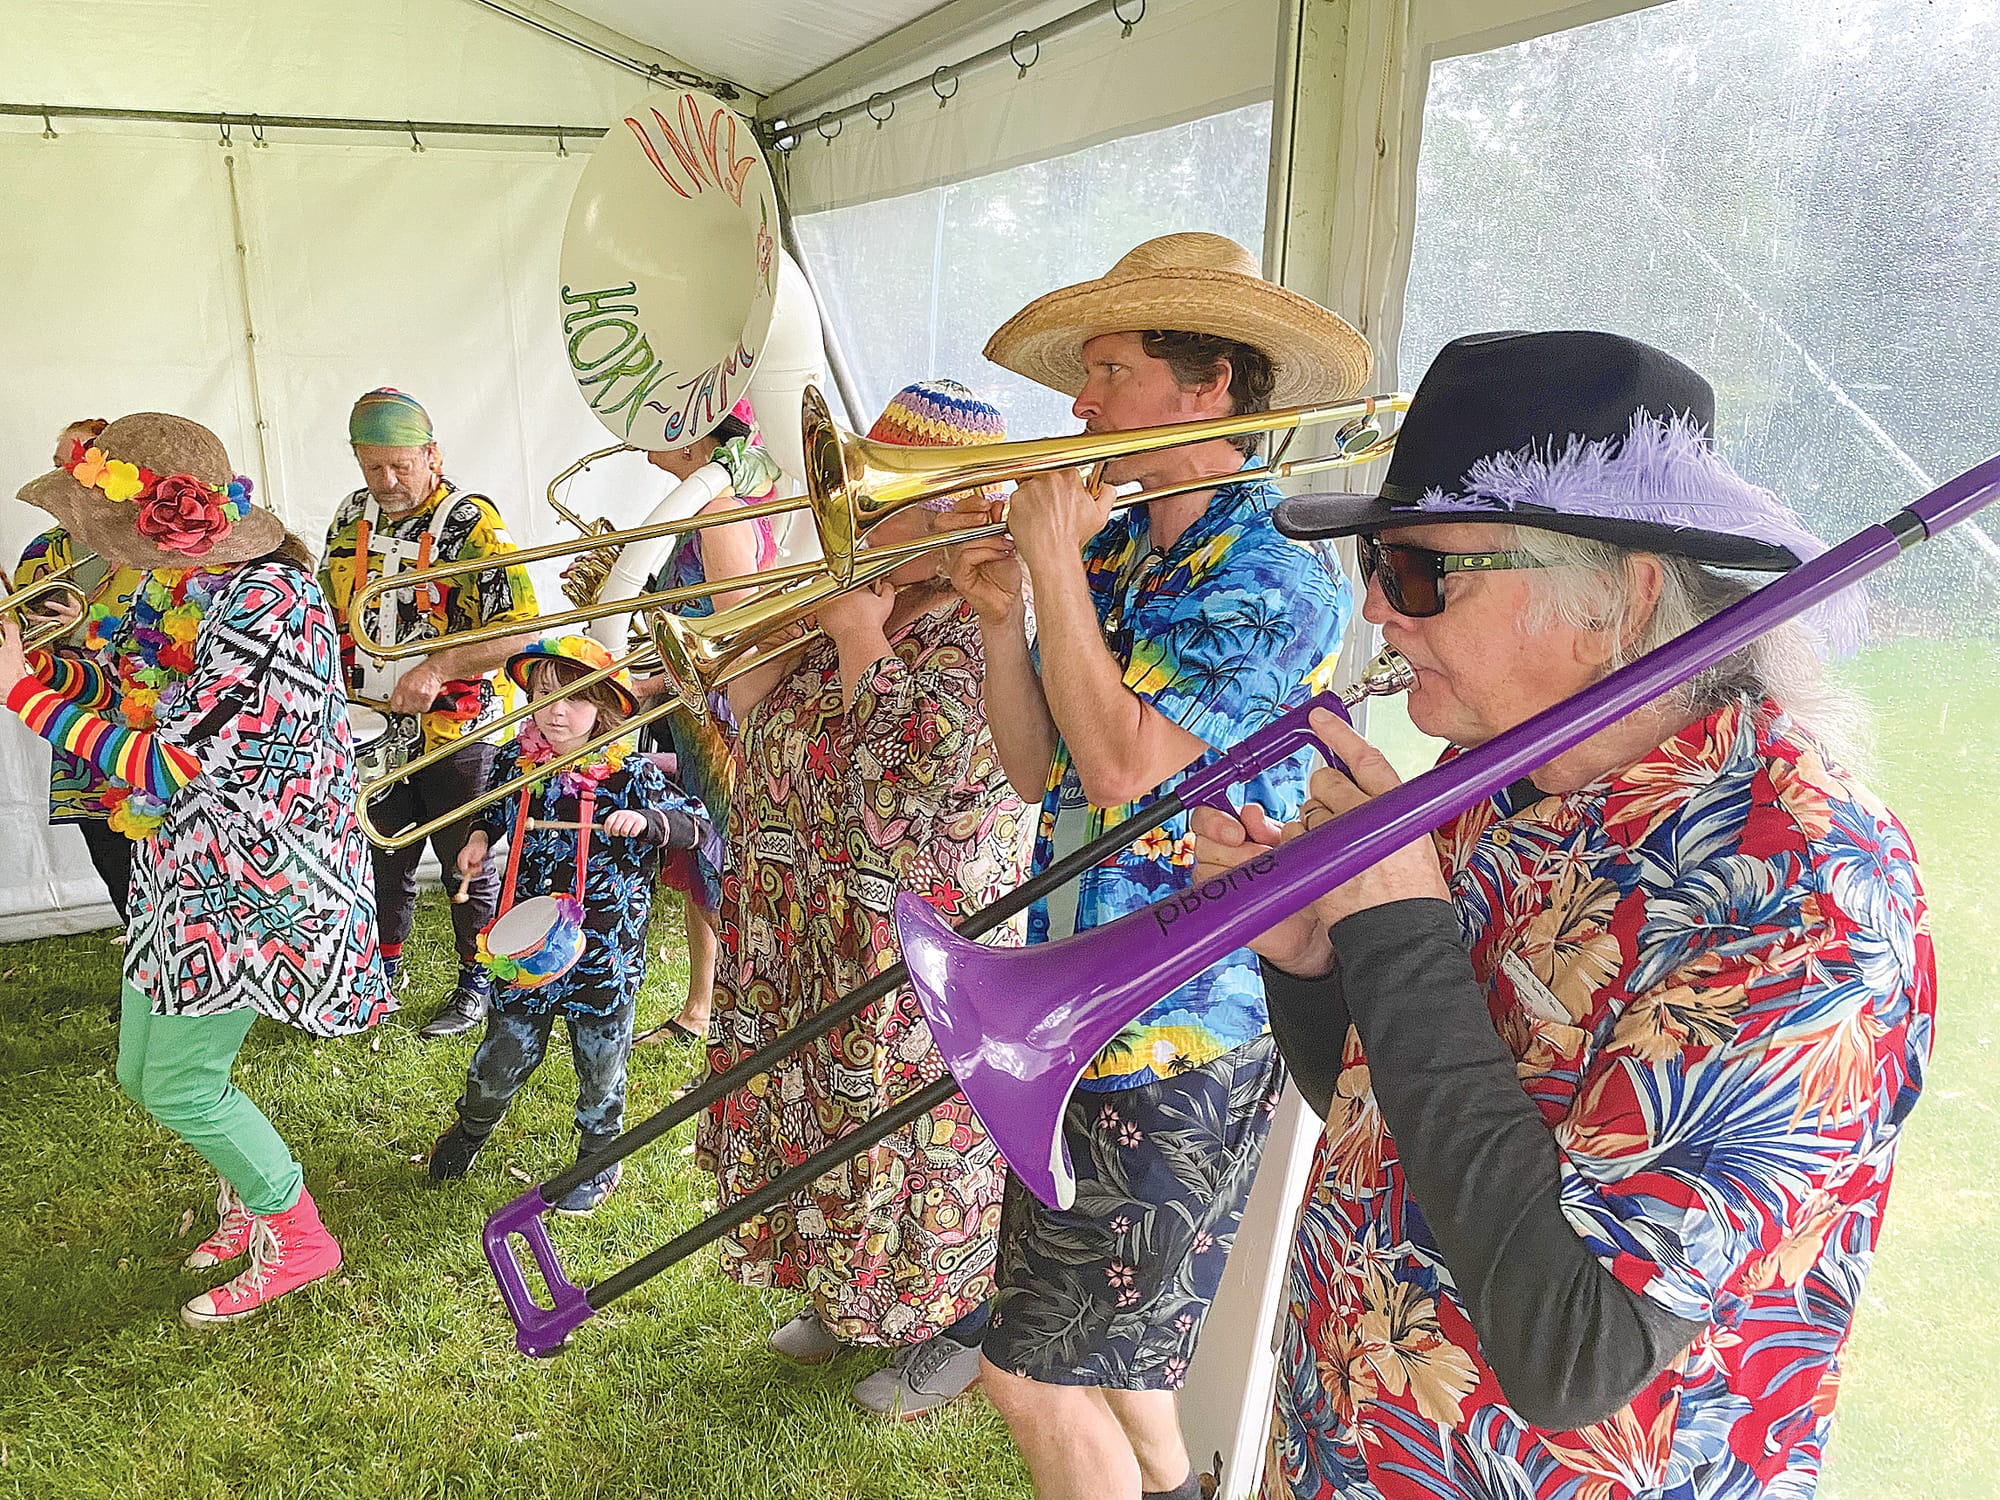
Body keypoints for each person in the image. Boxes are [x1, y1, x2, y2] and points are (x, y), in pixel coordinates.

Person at [1186, 331, 1930, 1498]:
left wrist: (1399, 937)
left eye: (1421, 571)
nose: (1377, 610)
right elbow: (1375, 1105)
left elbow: (1570, 1349)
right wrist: (1316, 961)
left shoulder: (1804, 890)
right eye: (1377, 567)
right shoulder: (1492, 784)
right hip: (1338, 1444)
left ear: (1618, 597)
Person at [934, 234, 1372, 1500]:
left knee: (1028, 1369)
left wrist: (1054, 570)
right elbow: (1042, 772)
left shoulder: (1275, 576)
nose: (1076, 405)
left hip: (1176, 1023)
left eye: (1108, 370)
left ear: (1209, 386)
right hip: (1072, 996)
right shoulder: (1122, 556)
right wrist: (1004, 625)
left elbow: (1126, 767)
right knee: (1109, 1346)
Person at [2, 412, 392, 1326]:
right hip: (191, 869)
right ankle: (249, 1197)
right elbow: (144, 702)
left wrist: (18, 692)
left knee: (179, 1082)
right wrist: (51, 667)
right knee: (147, 1075)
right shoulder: (198, 592)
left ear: (160, 524)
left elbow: (167, 760)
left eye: (102, 535)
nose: (91, 554)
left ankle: (298, 1237)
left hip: (255, 888)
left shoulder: (268, 604)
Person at [695, 381, 1028, 1418]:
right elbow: (754, 714)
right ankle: (848, 1295)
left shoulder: (983, 620)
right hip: (805, 922)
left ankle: (959, 1330)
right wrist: (794, 620)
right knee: (816, 1115)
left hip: (903, 948)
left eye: (877, 501)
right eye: (855, 496)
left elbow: (914, 778)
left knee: (912, 1137)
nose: (858, 519)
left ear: (953, 511)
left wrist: (854, 634)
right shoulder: (871, 594)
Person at [427, 635, 709, 1213]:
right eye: (544, 694)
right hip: (527, 947)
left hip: (604, 954)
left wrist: (651, 821)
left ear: (602, 709)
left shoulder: (630, 774)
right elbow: (487, 808)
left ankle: (598, 1160)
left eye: (574, 699)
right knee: (500, 1057)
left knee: (601, 1068)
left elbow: (698, 825)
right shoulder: (514, 762)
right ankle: (473, 1127)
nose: (555, 711)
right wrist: (479, 837)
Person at [319, 388, 538, 1039]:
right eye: (372, 466)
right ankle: (382, 972)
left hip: (458, 727)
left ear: (432, 454)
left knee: (465, 858)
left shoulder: (471, 523)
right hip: (371, 722)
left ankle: (479, 983)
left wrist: (438, 668)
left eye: (400, 467)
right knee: (379, 852)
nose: (386, 482)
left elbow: (523, 630)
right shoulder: (350, 515)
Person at [626, 396, 784, 1048]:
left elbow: (733, 643)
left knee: (726, 871)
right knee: (703, 861)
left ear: (694, 441)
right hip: (698, 714)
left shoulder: (718, 512)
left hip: (720, 718)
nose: (636, 441)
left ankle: (750, 1016)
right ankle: (700, 1008)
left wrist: (648, 682)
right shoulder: (708, 505)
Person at [13, 417, 148, 940]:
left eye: (67, 471)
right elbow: (24, 644)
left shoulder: (152, 547)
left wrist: (86, 621)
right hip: (75, 727)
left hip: (146, 727)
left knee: (162, 853)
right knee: (109, 852)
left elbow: (176, 640)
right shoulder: (42, 553)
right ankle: (143, 954)